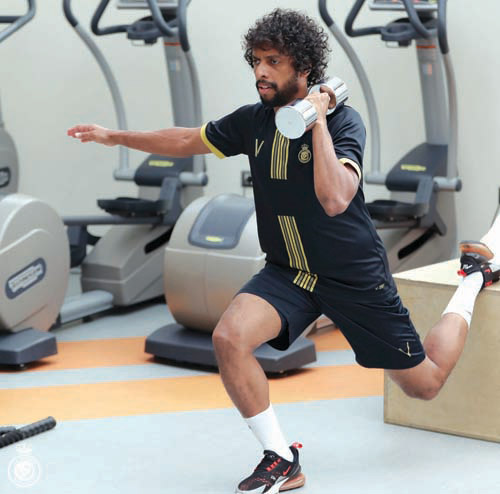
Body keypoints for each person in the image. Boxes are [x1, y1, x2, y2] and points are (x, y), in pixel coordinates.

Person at [68, 8, 500, 494]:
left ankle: (473, 278)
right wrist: (114, 136)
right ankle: (280, 457)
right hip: (288, 271)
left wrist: (316, 121)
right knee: (229, 337)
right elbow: (187, 138)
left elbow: (335, 199)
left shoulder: (345, 123)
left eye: (273, 61)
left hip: (351, 274)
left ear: (304, 68)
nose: (260, 71)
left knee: (425, 384)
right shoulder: (252, 122)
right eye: (256, 60)